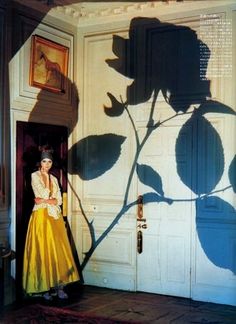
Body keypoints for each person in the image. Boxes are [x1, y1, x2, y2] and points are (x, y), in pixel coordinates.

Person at [22, 146, 80, 300]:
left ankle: (59, 286)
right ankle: (44, 288)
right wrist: (48, 199)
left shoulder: (54, 178)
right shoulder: (34, 176)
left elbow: (58, 200)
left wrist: (47, 200)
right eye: (44, 161)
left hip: (55, 217)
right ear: (40, 163)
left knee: (58, 250)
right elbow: (42, 194)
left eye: (49, 162)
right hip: (41, 217)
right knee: (43, 250)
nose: (47, 164)